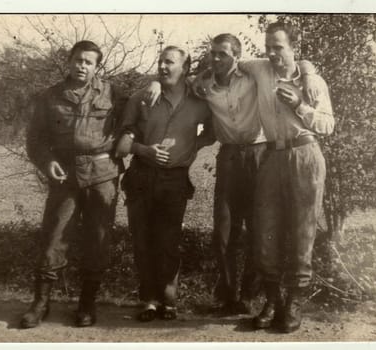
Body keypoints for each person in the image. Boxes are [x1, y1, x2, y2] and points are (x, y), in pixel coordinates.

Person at [144, 33, 320, 315]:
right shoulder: (202, 84)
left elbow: (294, 61)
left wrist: (309, 74)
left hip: (260, 154)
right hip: (228, 156)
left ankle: (252, 297)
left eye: (222, 54)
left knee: (260, 229)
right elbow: (173, 80)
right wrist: (154, 80)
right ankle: (228, 297)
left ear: (237, 57)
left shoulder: (254, 73)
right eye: (213, 53)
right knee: (224, 231)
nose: (215, 59)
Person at [21, 40, 126, 328]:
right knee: (54, 236)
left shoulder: (114, 94)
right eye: (78, 60)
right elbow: (35, 139)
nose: (82, 66)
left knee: (98, 239)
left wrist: (128, 138)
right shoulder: (50, 96)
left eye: (88, 62)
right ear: (69, 61)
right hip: (65, 175)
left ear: (97, 66)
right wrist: (46, 162)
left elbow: (134, 122)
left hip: (102, 174)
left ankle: (87, 304)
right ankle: (40, 303)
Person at [241, 22, 334, 333]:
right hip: (272, 155)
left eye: (278, 47)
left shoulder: (313, 81)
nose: (271, 52)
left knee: (302, 230)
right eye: (268, 46)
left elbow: (327, 125)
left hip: (305, 154)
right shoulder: (260, 68)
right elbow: (225, 60)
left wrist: (300, 104)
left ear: (293, 47)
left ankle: (293, 302)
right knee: (265, 228)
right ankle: (272, 301)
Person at [115, 45, 214, 322]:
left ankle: (169, 301)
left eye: (169, 62)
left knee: (169, 242)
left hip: (175, 179)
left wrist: (193, 145)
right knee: (143, 240)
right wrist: (144, 150)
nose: (162, 67)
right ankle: (147, 300)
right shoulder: (142, 98)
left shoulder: (199, 102)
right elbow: (122, 145)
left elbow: (213, 131)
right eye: (160, 62)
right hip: (142, 176)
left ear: (186, 67)